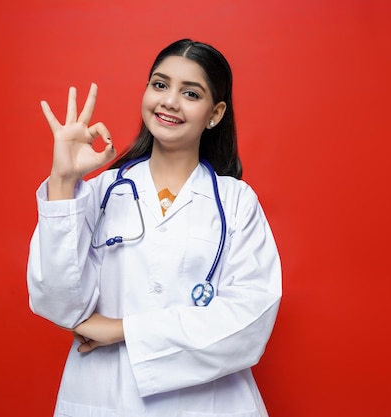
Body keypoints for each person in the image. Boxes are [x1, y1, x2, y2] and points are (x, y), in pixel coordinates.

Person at [27, 38, 282, 417]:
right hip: (106, 396)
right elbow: (59, 304)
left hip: (210, 403)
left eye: (190, 93)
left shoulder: (236, 203)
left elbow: (249, 322)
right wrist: (63, 180)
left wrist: (123, 329)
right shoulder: (98, 192)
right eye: (160, 85)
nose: (169, 101)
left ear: (215, 113)